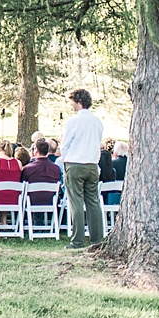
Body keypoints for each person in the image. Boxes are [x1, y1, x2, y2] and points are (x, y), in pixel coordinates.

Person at [61, 88, 104, 249]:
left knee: (76, 202)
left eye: (72, 101)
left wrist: (66, 160)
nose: (71, 104)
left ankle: (78, 240)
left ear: (78, 101)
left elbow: (65, 144)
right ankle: (97, 238)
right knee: (93, 201)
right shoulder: (97, 121)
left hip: (75, 163)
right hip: (92, 164)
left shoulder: (73, 121)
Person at [0, 140, 22, 224]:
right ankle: (4, 221)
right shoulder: (18, 163)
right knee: (4, 192)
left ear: (0, 149)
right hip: (15, 197)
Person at [21, 138, 62, 206]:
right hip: (52, 202)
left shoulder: (28, 169)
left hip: (32, 202)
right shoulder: (56, 168)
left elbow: (23, 185)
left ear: (36, 151)